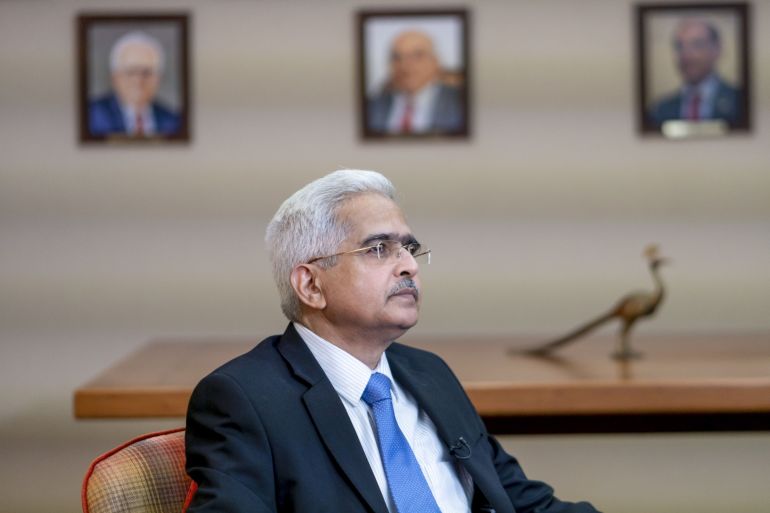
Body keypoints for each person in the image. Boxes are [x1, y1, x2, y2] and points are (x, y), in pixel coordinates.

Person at [185, 169, 601, 513]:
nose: (408, 267)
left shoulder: (429, 373)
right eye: (379, 249)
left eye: (410, 249)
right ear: (310, 285)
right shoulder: (244, 400)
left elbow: (522, 502)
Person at [647, 17, 743, 129]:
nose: (686, 55)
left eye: (697, 45)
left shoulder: (740, 101)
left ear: (717, 49)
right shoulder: (660, 110)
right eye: (680, 46)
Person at [367, 30, 465, 135]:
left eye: (417, 56)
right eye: (397, 57)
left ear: (435, 61)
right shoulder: (372, 106)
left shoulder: (460, 101)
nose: (405, 65)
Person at [88, 31, 181, 137]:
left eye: (146, 72)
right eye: (130, 72)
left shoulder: (173, 121)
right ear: (115, 77)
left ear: (159, 78)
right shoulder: (91, 115)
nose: (138, 81)